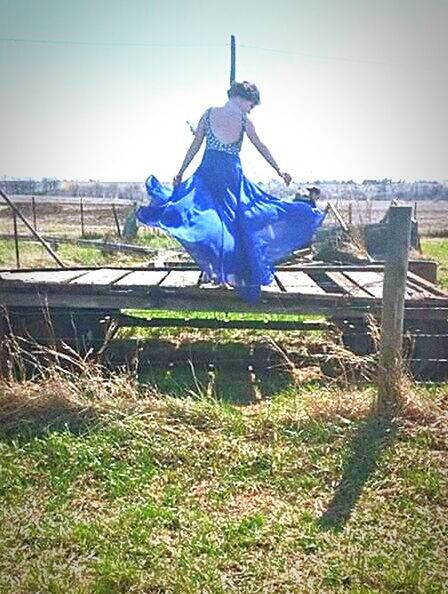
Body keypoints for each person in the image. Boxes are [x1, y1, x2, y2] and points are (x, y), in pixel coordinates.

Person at [137, 81, 326, 302]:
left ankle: (221, 274)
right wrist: (279, 169)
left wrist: (180, 172)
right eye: (251, 105)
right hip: (228, 177)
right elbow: (261, 146)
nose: (250, 109)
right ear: (244, 99)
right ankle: (228, 275)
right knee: (235, 225)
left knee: (209, 221)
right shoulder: (245, 120)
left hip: (209, 173)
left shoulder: (209, 114)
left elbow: (195, 146)